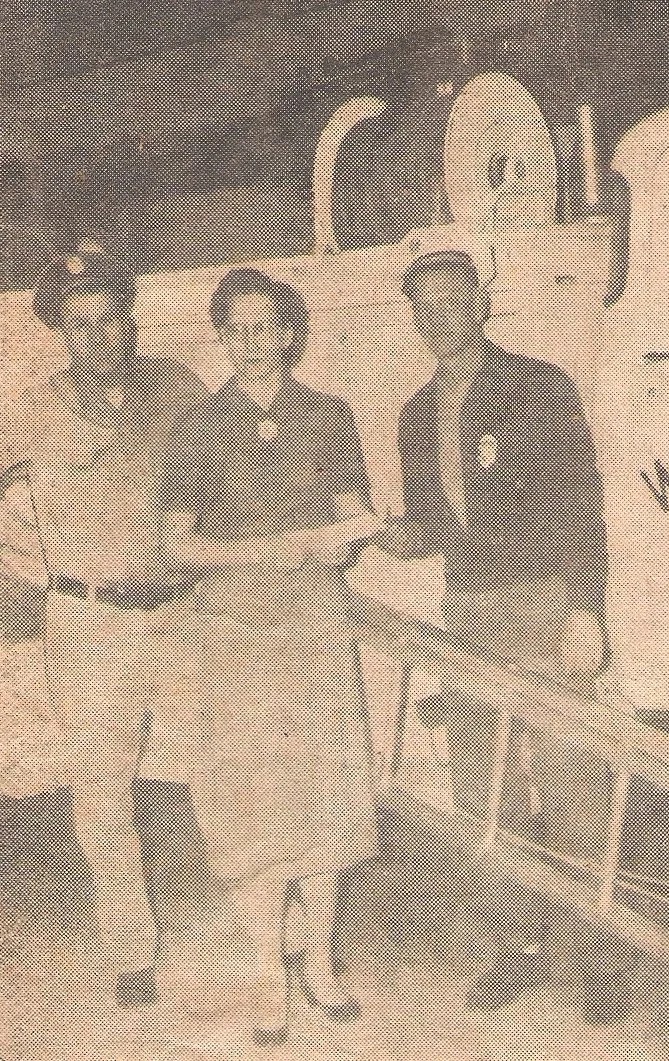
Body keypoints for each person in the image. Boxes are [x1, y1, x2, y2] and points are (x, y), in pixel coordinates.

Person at [375, 248, 634, 1023]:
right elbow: (433, 525)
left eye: (451, 300)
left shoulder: (538, 385)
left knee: (574, 788)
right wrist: (400, 537)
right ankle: (518, 947)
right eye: (422, 306)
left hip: (546, 606)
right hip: (470, 615)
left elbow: (581, 508)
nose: (437, 318)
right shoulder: (415, 414)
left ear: (482, 304)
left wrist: (585, 610)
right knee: (483, 793)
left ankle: (600, 960)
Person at [158, 267, 382, 1045]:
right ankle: (266, 971)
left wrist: (349, 538)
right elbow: (175, 544)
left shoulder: (328, 416)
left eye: (265, 326)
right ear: (221, 338)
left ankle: (317, 959)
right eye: (235, 329)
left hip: (313, 624)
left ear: (290, 333)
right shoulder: (198, 426)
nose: (251, 342)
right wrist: (267, 551)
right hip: (235, 632)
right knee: (254, 805)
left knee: (324, 798)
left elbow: (352, 517)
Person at [0, 243, 208, 1008]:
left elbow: (231, 473)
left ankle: (264, 920)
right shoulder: (31, 408)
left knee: (224, 765)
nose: (98, 339)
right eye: (79, 325)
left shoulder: (181, 388)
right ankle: (132, 950)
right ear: (61, 331)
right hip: (88, 624)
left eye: (109, 320)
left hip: (183, 612)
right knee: (103, 793)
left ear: (130, 320)